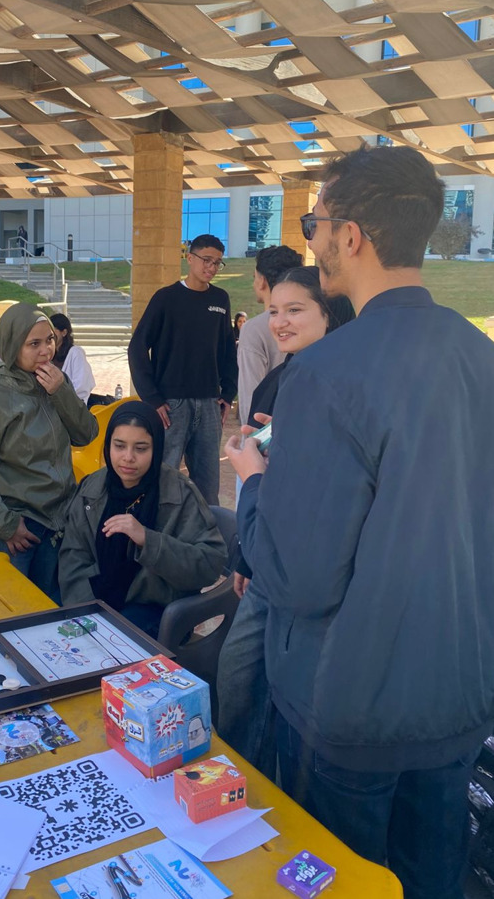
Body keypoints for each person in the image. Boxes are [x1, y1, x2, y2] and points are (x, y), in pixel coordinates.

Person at [225, 145, 494, 899]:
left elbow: (299, 577)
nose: (311, 240)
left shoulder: (325, 373)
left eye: (313, 224)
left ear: (350, 235)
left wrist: (253, 485)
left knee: (338, 883)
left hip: (348, 708)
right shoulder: (480, 357)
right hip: (459, 694)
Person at [216, 267, 354, 781]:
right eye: (273, 310)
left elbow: (329, 480)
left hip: (306, 569)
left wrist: (261, 467)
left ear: (329, 314)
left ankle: (257, 792)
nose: (279, 322)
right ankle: (235, 785)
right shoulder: (289, 375)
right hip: (267, 551)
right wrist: (245, 555)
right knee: (238, 679)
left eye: (295, 310)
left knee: (271, 691)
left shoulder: (341, 382)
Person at [0, 304, 98, 601]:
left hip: (54, 523)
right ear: (12, 346)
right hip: (10, 528)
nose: (45, 350)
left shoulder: (54, 381)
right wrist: (6, 524)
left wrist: (61, 392)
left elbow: (86, 434)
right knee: (5, 612)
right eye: (34, 344)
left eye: (50, 340)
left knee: (46, 611)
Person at [59, 401, 227, 639]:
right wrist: (86, 615)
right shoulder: (92, 488)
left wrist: (148, 540)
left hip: (156, 609)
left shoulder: (179, 494)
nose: (128, 457)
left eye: (141, 448)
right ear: (107, 445)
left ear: (156, 448)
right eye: (119, 446)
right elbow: (73, 557)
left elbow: (209, 565)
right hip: (95, 599)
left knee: (119, 640)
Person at [127, 234, 237, 505]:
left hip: (210, 403)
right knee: (163, 478)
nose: (211, 267)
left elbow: (227, 350)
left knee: (207, 487)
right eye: (206, 260)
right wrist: (152, 398)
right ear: (190, 258)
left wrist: (228, 393)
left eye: (217, 263)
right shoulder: (166, 298)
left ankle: (205, 531)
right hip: (171, 406)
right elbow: (137, 347)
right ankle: (155, 529)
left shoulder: (221, 299)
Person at [235, 245, 303, 438]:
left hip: (263, 435)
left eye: (254, 277)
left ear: (262, 280)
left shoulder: (254, 329)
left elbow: (251, 395)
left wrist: (251, 442)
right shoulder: (308, 322)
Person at [50, 313, 95, 404]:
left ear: (64, 332)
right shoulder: (48, 353)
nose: (50, 336)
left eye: (53, 332)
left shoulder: (76, 353)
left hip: (71, 405)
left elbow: (82, 385)